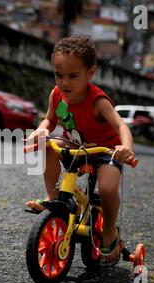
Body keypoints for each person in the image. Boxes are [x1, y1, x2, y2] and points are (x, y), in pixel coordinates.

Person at [24, 35, 136, 266]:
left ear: (90, 73)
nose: (64, 83)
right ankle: (53, 197)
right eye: (58, 75)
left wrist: (125, 148)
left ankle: (108, 230)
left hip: (105, 152)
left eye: (73, 76)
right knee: (49, 144)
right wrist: (40, 131)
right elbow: (49, 120)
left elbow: (120, 126)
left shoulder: (98, 101)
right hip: (76, 147)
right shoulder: (56, 95)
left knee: (107, 187)